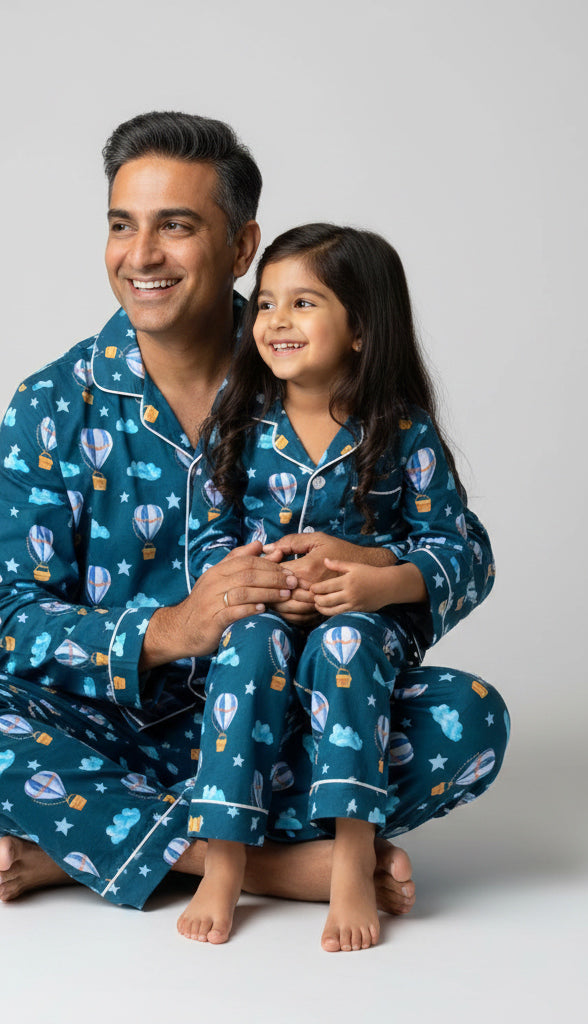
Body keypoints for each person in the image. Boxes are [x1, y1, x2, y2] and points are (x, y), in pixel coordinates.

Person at [0, 112, 508, 931]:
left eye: (176, 226)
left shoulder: (315, 358)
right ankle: (259, 864)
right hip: (109, 732)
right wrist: (171, 629)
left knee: (472, 718)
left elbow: (457, 544)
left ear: (243, 248)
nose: (142, 257)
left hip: (286, 723)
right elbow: (3, 620)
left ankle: (84, 838)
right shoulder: (52, 403)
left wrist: (365, 567)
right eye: (121, 226)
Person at [179, 224, 501, 950]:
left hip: (362, 628)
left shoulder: (402, 432)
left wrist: (375, 579)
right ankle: (223, 862)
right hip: (257, 627)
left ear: (360, 328)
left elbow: (461, 551)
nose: (276, 321)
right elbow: (204, 545)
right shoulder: (237, 424)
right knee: (254, 642)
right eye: (264, 304)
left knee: (348, 641)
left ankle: (351, 856)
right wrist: (262, 586)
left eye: (304, 303)